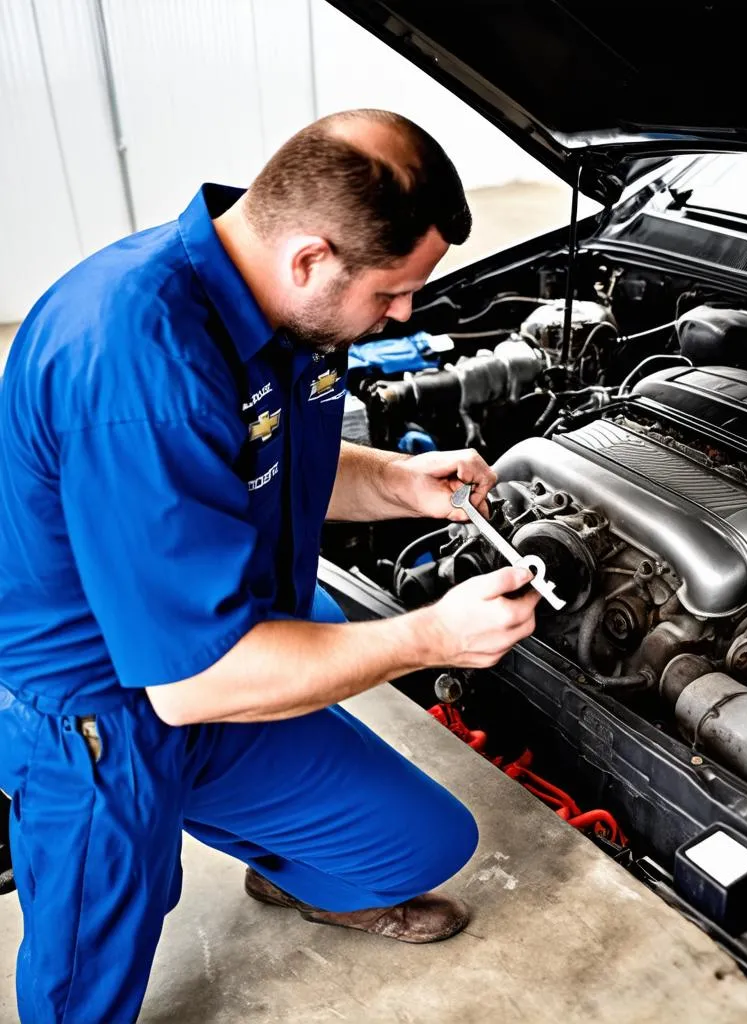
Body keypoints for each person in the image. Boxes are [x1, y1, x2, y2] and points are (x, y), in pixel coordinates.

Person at [0, 108, 541, 1023]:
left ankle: (283, 868)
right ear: (310, 256)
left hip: (218, 642)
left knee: (421, 845)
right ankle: (117, 832)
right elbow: (190, 684)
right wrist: (429, 635)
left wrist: (399, 483)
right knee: (89, 982)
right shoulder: (138, 365)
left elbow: (275, 464)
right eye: (393, 292)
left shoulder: (286, 312)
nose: (405, 313)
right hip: (105, 713)